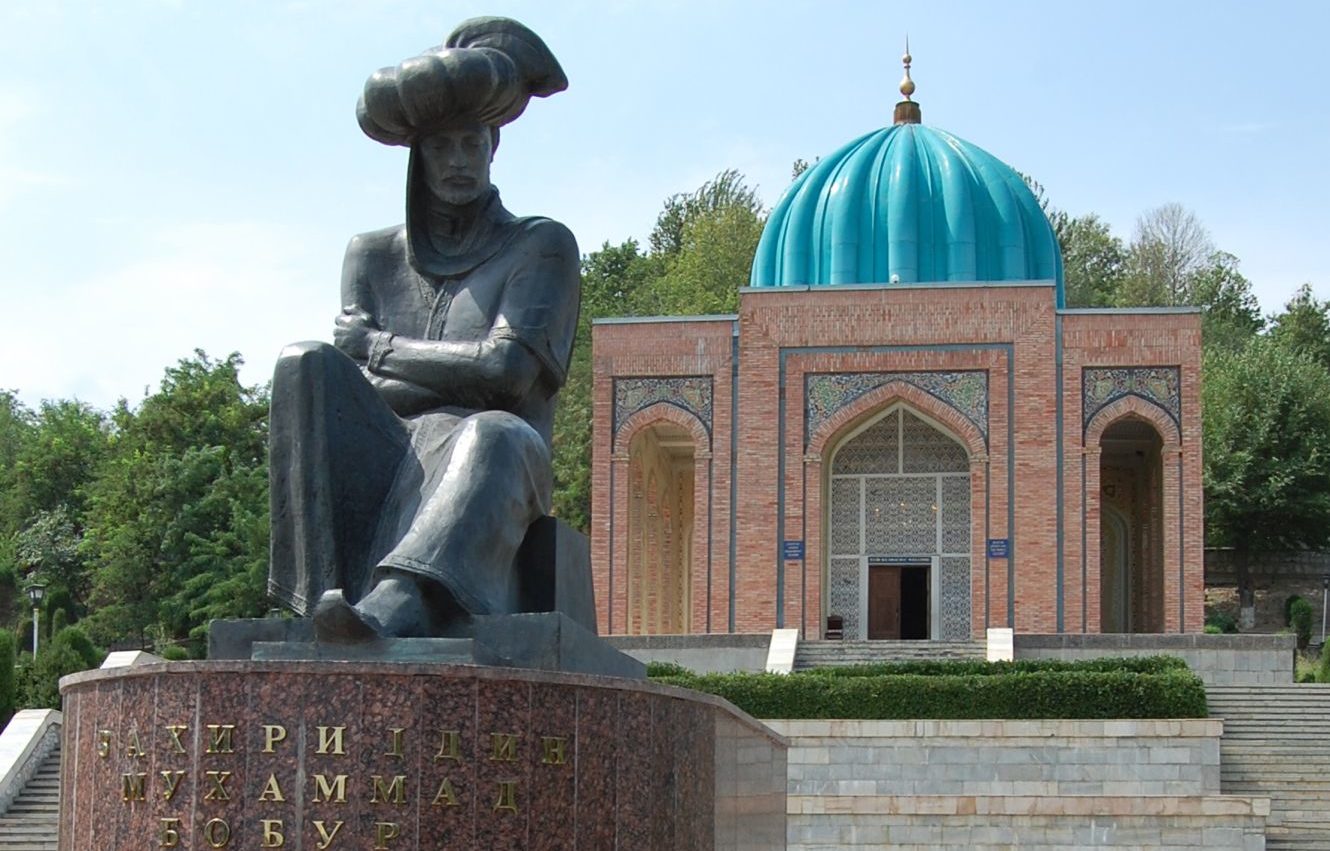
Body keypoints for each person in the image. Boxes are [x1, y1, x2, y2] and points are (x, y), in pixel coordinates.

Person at [266, 18, 579, 640]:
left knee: (491, 430)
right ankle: (316, 604)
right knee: (304, 363)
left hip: (500, 458)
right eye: (441, 147)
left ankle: (399, 601)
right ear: (419, 156)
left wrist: (378, 348)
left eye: (471, 143)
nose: (458, 161)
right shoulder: (371, 255)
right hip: (390, 445)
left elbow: (507, 374)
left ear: (493, 146)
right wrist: (452, 373)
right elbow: (355, 391)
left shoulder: (541, 245)